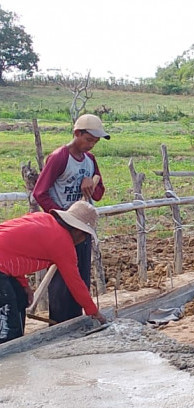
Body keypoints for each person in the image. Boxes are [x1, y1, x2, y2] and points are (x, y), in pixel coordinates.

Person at [32, 113, 108, 324]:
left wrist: (90, 183)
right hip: (61, 227)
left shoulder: (90, 161)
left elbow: (99, 193)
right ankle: (58, 323)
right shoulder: (59, 158)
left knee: (80, 275)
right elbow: (40, 193)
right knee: (61, 279)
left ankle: (75, 321)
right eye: (88, 140)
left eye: (95, 141)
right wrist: (60, 216)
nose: (92, 145)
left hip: (81, 229)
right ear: (77, 133)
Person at [0, 201, 108, 344]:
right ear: (77, 231)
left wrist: (24, 285)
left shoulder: (43, 219)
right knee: (7, 325)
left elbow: (11, 252)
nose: (83, 240)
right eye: (85, 236)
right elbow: (75, 283)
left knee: (20, 298)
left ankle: (15, 343)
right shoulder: (63, 243)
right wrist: (94, 312)